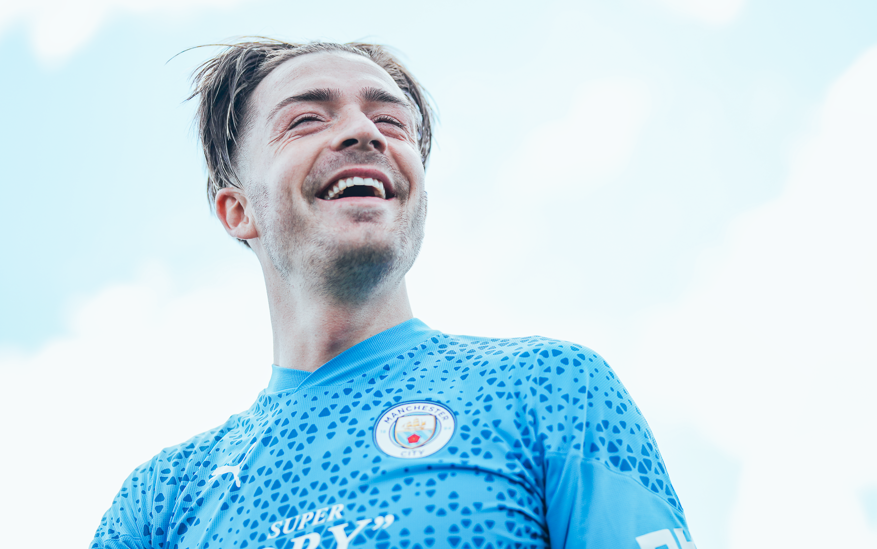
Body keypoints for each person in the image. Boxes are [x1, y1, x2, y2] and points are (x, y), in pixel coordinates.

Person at [91, 39, 696, 549]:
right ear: (237, 209)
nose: (363, 132)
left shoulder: (550, 386)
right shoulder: (162, 499)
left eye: (392, 122)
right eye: (307, 119)